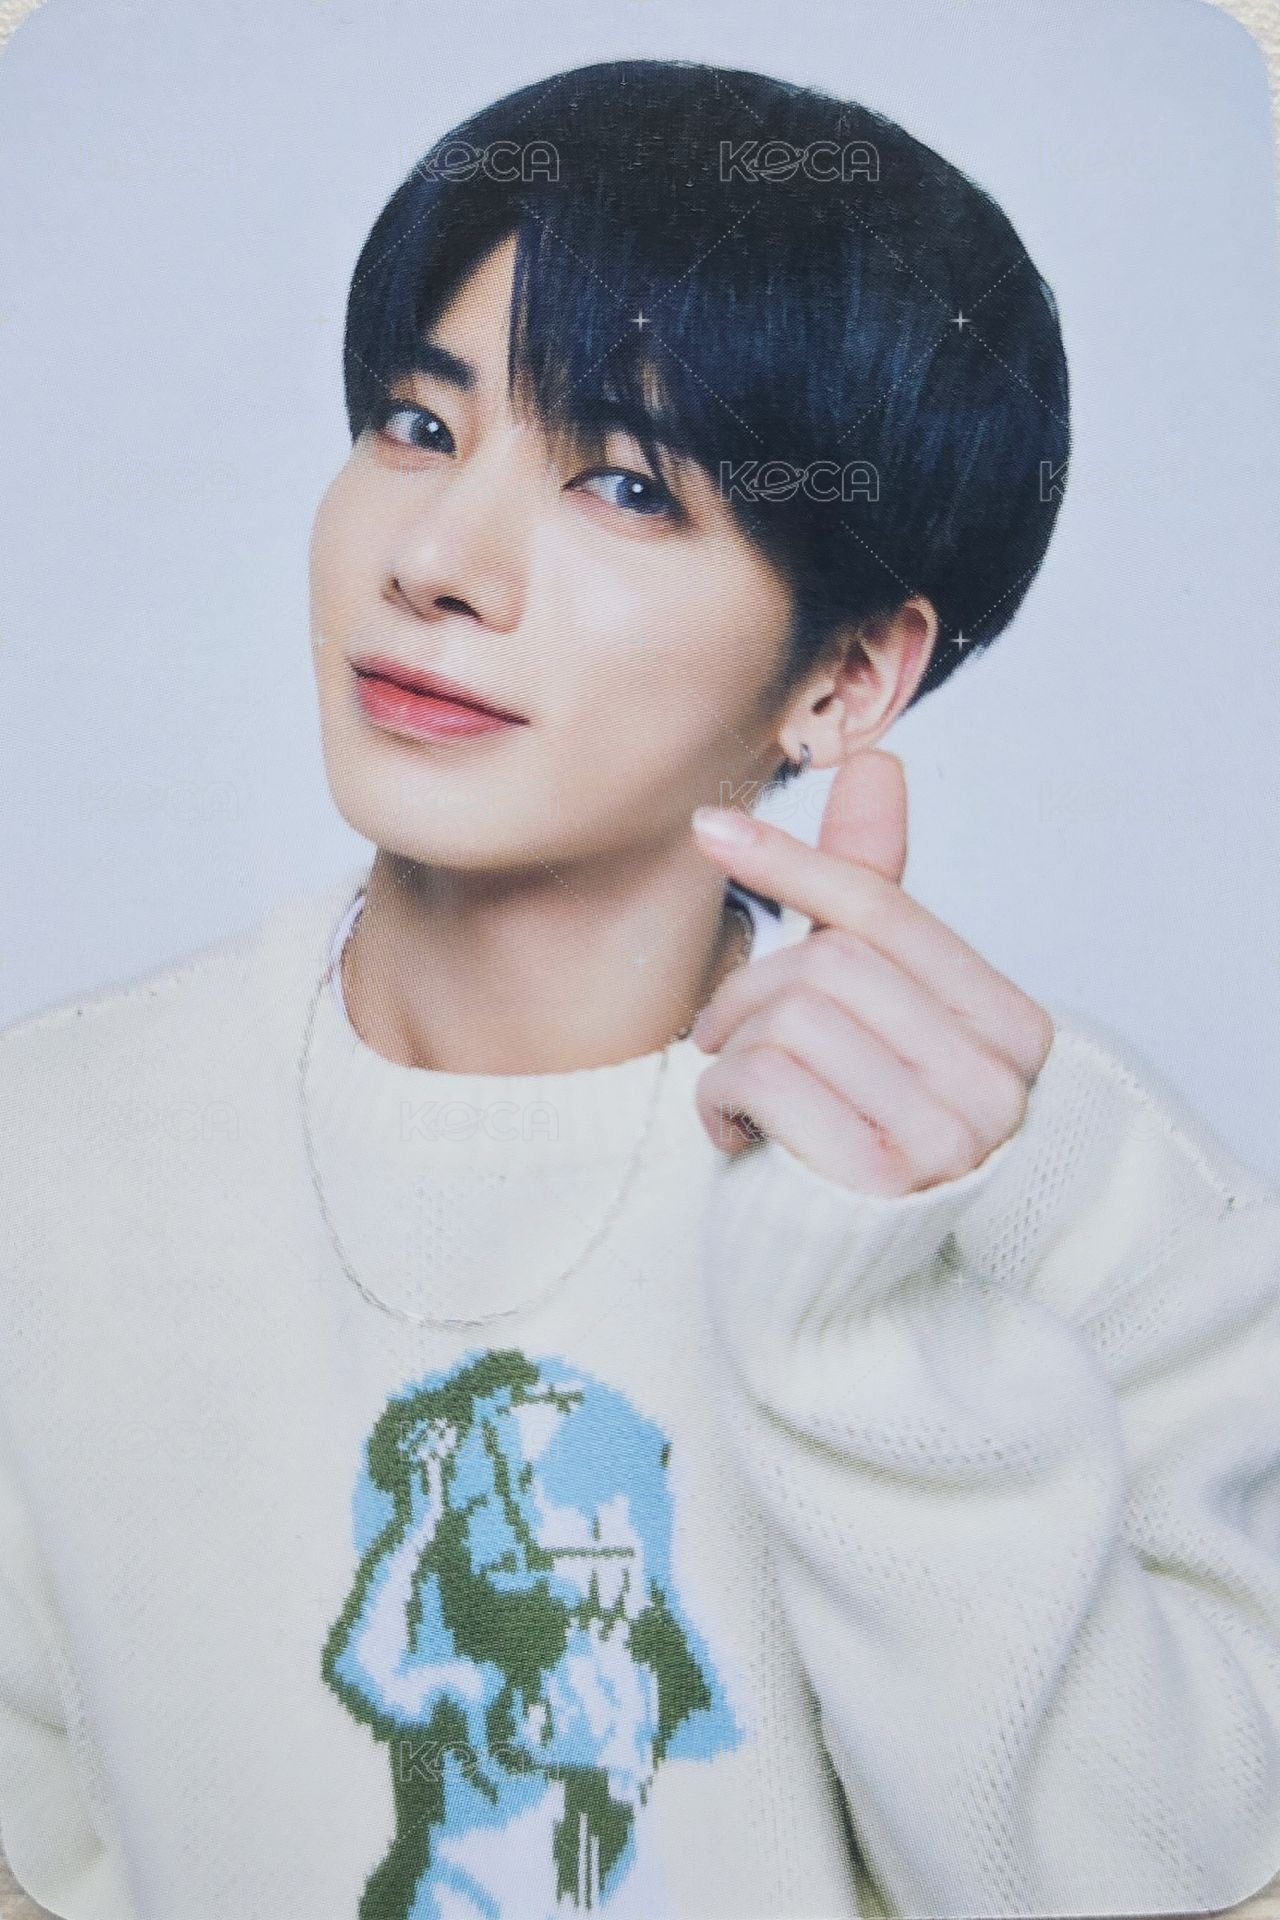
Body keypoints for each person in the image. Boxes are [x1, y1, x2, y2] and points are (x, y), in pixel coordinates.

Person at [1, 54, 1278, 1920]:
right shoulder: (56, 1147)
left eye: (622, 483)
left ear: (844, 677)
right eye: (418, 427)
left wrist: (871, 1327)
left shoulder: (1064, 1185)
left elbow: (1161, 1875)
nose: (436, 562)